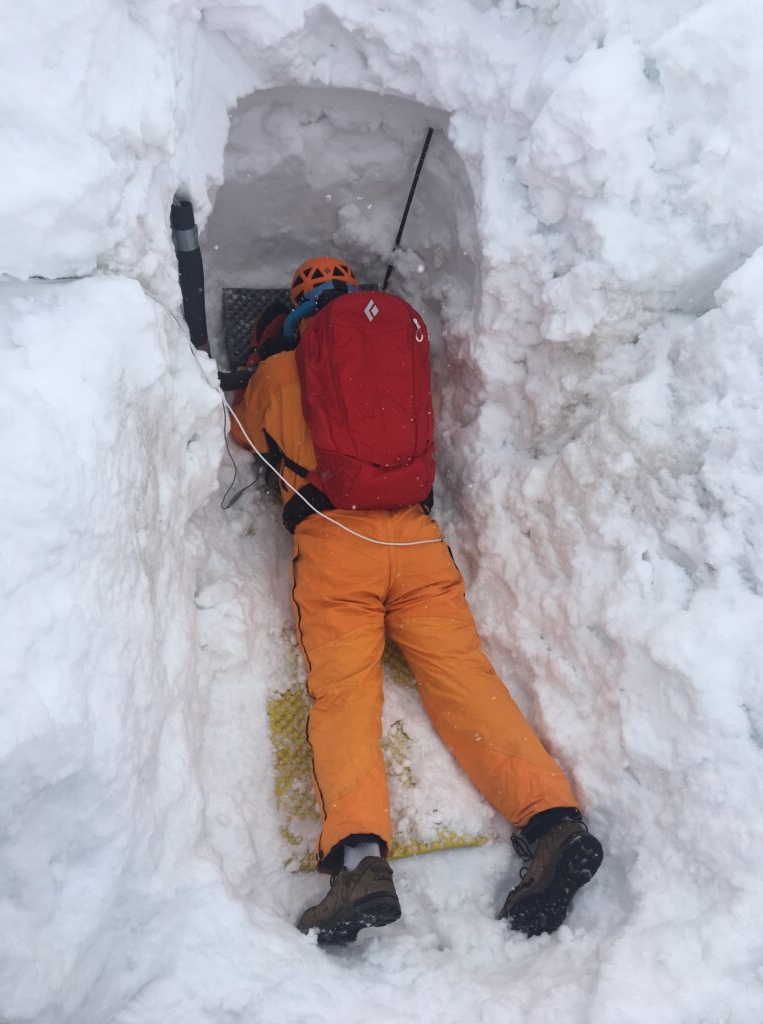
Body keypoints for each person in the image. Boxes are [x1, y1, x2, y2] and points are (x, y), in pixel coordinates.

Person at [230, 255, 603, 945]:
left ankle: (361, 861)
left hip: (335, 542)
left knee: (345, 697)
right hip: (417, 542)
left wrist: (264, 358)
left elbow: (239, 430)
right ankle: (551, 822)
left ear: (298, 304)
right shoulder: (391, 358)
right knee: (466, 683)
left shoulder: (280, 371)